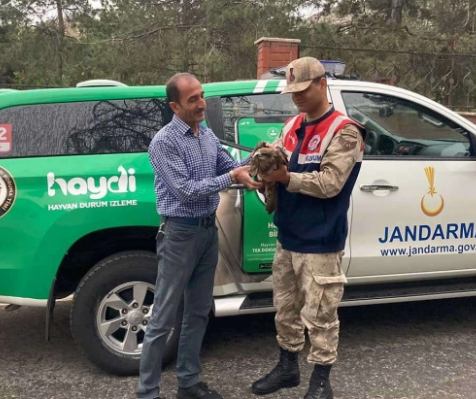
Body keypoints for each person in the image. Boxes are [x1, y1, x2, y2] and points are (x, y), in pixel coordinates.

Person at [137, 72, 261, 399]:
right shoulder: (164, 142)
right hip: (179, 234)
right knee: (163, 317)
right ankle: (147, 393)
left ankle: (188, 384)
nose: (201, 103)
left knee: (197, 312)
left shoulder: (205, 134)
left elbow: (230, 166)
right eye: (192, 99)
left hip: (207, 232)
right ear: (175, 106)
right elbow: (185, 191)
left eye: (202, 95)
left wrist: (258, 157)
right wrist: (233, 175)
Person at [250, 57, 366, 399]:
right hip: (288, 236)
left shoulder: (344, 130)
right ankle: (288, 367)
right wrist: (263, 178)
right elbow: (280, 167)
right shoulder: (292, 125)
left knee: (320, 314)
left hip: (320, 240)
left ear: (321, 83)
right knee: (285, 308)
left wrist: (286, 178)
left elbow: (331, 183)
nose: (296, 96)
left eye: (302, 89)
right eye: (292, 91)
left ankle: (320, 381)